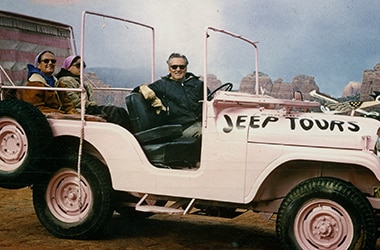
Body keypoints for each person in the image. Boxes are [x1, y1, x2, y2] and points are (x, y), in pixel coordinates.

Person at [135, 53, 204, 137]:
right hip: (181, 128)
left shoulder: (198, 84)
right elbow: (137, 91)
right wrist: (151, 97)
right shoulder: (162, 85)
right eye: (174, 67)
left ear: (186, 68)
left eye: (181, 67)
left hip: (203, 123)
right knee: (207, 135)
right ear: (169, 68)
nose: (178, 69)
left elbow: (210, 98)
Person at [56, 55, 131, 129]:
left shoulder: (79, 81)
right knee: (114, 111)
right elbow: (74, 101)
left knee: (121, 111)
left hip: (88, 107)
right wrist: (91, 105)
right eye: (78, 65)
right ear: (68, 67)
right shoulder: (66, 81)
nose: (81, 68)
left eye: (83, 66)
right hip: (79, 109)